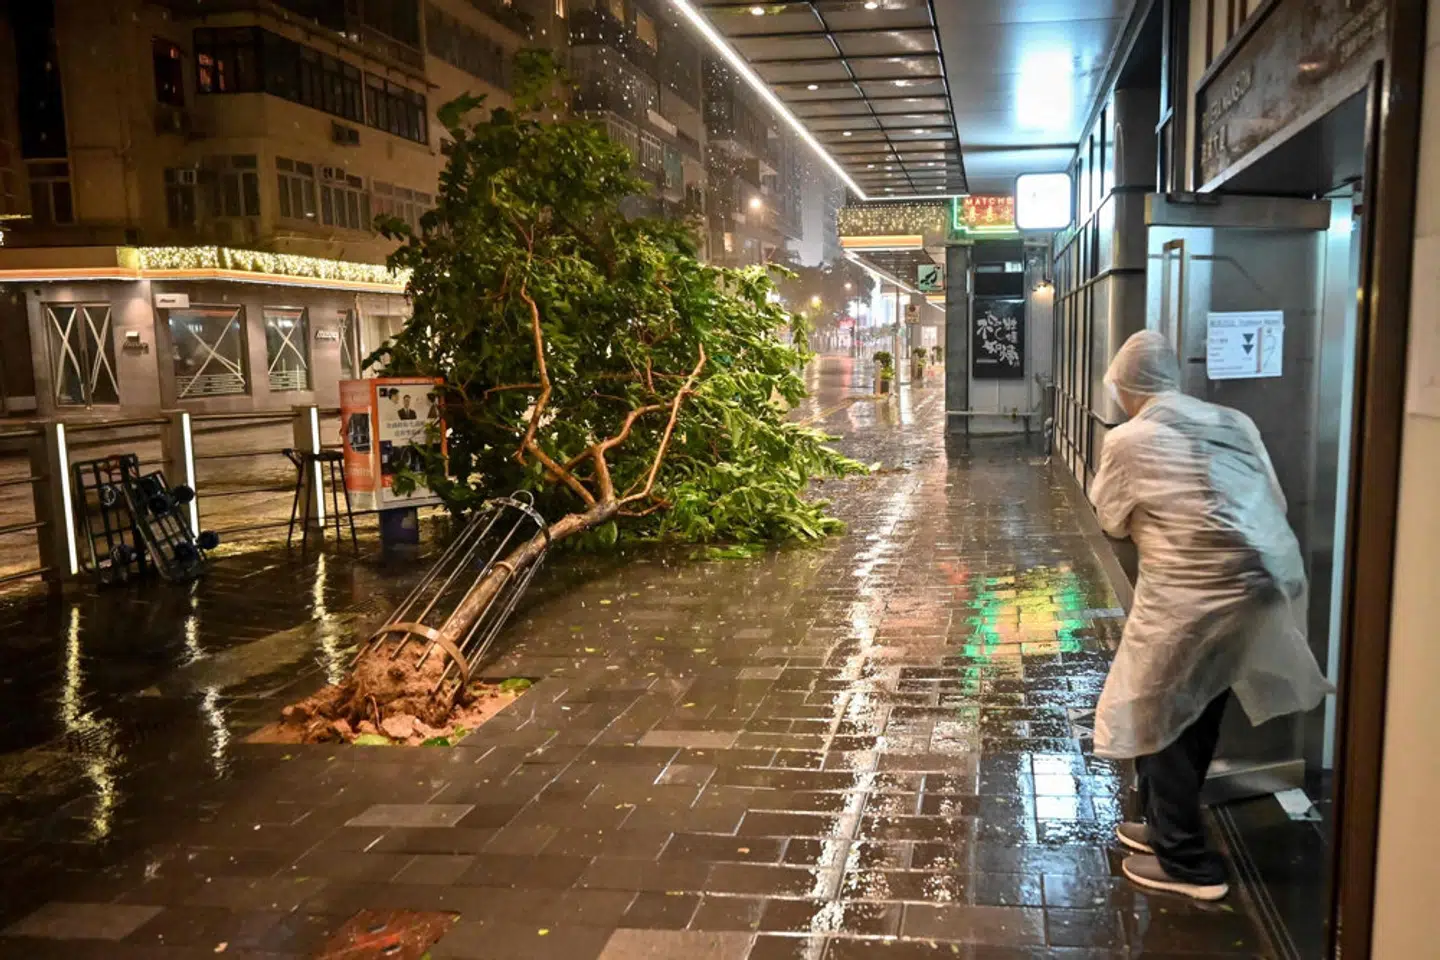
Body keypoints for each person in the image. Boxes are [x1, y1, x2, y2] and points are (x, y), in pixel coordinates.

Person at [1089, 330, 1332, 902]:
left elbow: (1110, 517)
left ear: (1127, 388)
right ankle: (1164, 828)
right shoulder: (1232, 422)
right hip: (1261, 584)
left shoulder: (1129, 440)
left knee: (1159, 711)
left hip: (1192, 597)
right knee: (1194, 705)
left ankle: (1189, 865)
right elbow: (1271, 497)